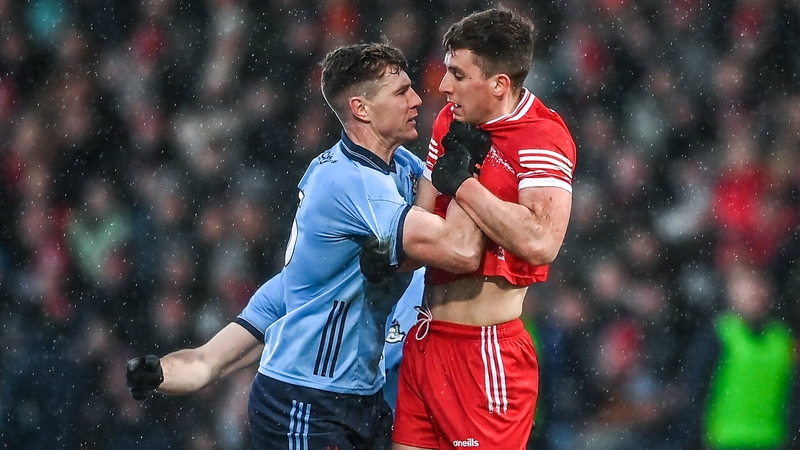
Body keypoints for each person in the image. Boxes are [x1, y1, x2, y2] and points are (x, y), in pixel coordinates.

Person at [126, 42, 483, 450]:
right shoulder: (350, 182)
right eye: (401, 92)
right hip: (304, 403)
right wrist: (464, 181)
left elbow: (209, 361)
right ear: (361, 109)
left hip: (361, 396)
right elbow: (458, 248)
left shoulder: (399, 168)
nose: (417, 99)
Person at [389, 8, 577, 450]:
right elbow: (428, 220)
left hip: (486, 353)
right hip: (425, 338)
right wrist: (393, 251)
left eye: (457, 73)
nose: (443, 85)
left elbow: (541, 241)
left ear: (499, 84)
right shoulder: (449, 123)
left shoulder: (543, 137)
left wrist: (466, 187)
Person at [673, 261, 799, 450]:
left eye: (758, 286)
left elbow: (794, 392)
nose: (754, 294)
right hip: (725, 439)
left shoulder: (783, 338)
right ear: (731, 292)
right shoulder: (718, 335)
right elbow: (695, 389)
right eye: (746, 287)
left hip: (774, 439)